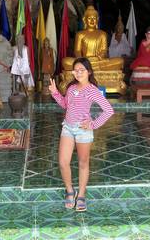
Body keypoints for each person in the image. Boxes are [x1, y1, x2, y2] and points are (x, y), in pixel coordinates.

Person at [48, 57, 114, 212]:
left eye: (81, 70)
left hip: (83, 131)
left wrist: (93, 124)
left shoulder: (93, 90)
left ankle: (82, 194)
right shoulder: (71, 88)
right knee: (63, 162)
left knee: (83, 163)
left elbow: (109, 110)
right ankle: (70, 190)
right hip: (68, 128)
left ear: (89, 72)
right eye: (75, 70)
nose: (78, 73)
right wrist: (55, 93)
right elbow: (65, 105)